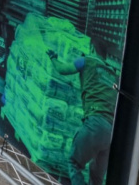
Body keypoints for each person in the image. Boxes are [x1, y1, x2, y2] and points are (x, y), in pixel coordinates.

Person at [48, 38, 118, 185]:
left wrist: (53, 58)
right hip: (111, 133)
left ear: (92, 48)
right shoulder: (113, 74)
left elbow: (62, 69)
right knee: (96, 178)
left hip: (96, 124)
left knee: (74, 162)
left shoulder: (86, 61)